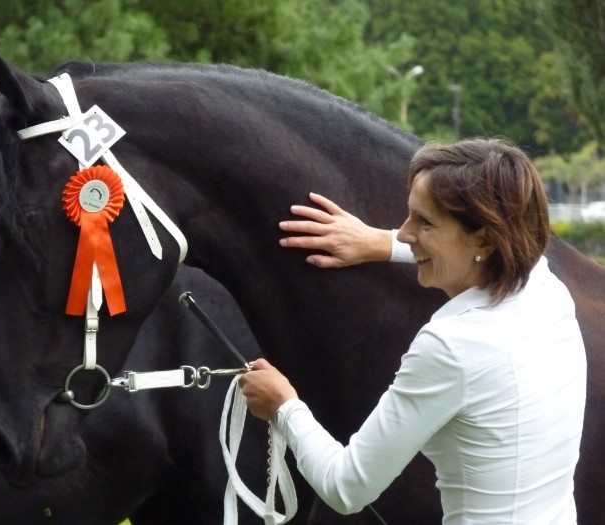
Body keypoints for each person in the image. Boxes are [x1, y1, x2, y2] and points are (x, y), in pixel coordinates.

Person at [239, 138, 587, 523]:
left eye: (424, 222)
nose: (404, 233)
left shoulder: (451, 346)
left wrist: (283, 406)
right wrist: (378, 242)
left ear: (484, 239)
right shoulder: (544, 283)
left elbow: (347, 487)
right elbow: (489, 248)